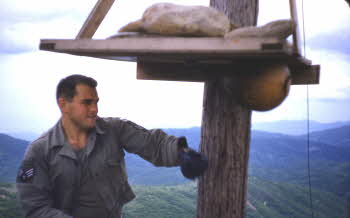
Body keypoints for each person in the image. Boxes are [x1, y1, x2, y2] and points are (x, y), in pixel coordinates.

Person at [16, 74, 207, 218]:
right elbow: (36, 209)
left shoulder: (113, 129)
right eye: (87, 103)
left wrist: (181, 153)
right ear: (64, 104)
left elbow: (153, 143)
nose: (95, 109)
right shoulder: (39, 151)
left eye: (96, 102)